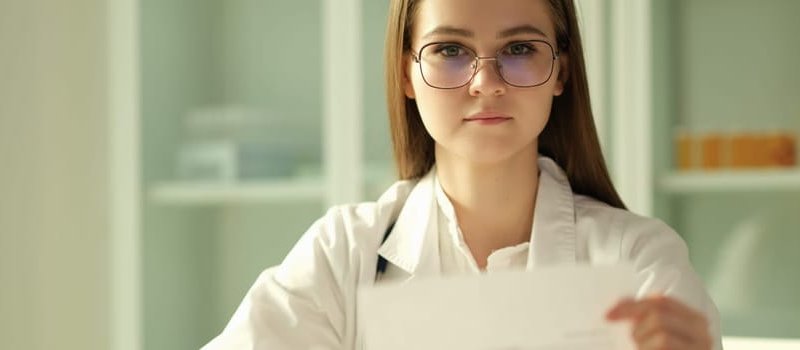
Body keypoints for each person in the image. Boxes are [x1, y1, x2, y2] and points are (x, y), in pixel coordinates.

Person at [203, 0, 721, 349]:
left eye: (519, 49)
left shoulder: (638, 261)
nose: (486, 82)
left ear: (561, 70)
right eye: (450, 51)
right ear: (407, 71)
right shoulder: (344, 253)